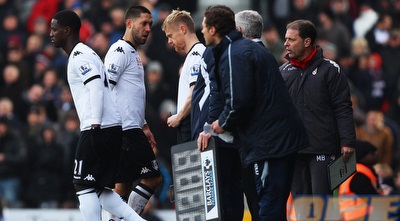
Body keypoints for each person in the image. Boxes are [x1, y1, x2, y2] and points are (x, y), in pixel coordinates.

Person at [197, 5, 309, 221]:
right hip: (276, 139)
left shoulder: (235, 53)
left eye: (203, 27)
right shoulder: (246, 49)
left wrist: (219, 124)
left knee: (266, 206)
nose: (200, 32)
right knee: (271, 204)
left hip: (270, 143)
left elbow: (239, 101)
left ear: (212, 30)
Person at [50, 10, 146, 221]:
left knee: (82, 184)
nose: (51, 34)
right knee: (99, 188)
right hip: (109, 125)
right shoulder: (86, 52)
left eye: (54, 29)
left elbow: (95, 86)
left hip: (99, 126)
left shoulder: (79, 55)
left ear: (67, 31)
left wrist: (94, 125)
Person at [279, 20, 356, 197]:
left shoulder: (330, 70)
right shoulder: (283, 71)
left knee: (322, 202)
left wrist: (347, 141)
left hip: (322, 147)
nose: (286, 44)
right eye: (285, 39)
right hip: (293, 148)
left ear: (307, 42)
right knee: (300, 201)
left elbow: (343, 107)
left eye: (291, 39)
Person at [104, 5, 162, 220]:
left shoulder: (132, 52)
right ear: (129, 23)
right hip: (126, 130)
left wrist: (144, 124)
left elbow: (130, 95)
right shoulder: (119, 51)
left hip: (131, 127)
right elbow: (105, 86)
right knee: (153, 178)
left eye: (150, 24)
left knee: (123, 186)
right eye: (143, 23)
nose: (148, 28)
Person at [234, 9, 265, 221]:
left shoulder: (248, 55)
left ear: (239, 30)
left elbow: (243, 98)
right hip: (256, 138)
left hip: (254, 139)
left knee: (257, 199)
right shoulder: (264, 54)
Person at [161, 9, 205, 143]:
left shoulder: (196, 54)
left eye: (170, 35)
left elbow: (194, 93)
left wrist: (179, 117)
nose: (169, 41)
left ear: (183, 29)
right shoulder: (192, 56)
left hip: (191, 123)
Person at [338, 140, 382, 220]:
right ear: (362, 155)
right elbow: (372, 198)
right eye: (372, 152)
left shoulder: (363, 171)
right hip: (358, 216)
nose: (376, 155)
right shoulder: (359, 174)